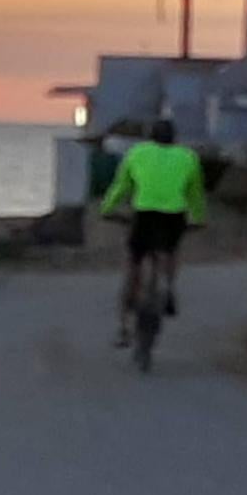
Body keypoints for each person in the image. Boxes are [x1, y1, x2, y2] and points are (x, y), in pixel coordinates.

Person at [99, 119, 206, 348]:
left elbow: (120, 186)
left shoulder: (137, 153)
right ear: (174, 138)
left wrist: (106, 209)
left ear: (150, 137)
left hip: (144, 212)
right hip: (173, 215)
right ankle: (168, 286)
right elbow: (195, 193)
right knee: (170, 250)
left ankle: (123, 329)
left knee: (133, 264)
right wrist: (199, 218)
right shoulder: (188, 157)